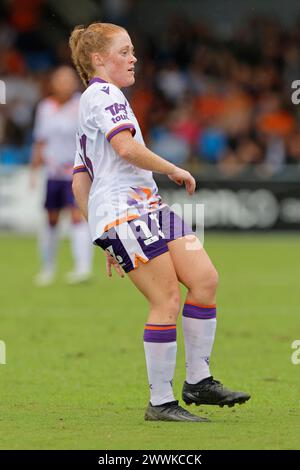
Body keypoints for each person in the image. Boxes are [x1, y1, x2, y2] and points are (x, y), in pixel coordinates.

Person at [69, 22, 250, 422]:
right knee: (165, 299)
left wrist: (100, 233)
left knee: (204, 279)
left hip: (147, 209)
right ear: (99, 59)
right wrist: (173, 169)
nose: (134, 58)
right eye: (125, 51)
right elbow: (125, 147)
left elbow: (80, 176)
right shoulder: (103, 95)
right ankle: (161, 402)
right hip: (127, 212)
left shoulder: (99, 99)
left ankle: (199, 382)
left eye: (133, 50)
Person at [31, 66, 93, 286]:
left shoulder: (81, 105)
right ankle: (47, 268)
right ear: (53, 83)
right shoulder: (45, 107)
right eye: (61, 80)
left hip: (76, 172)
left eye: (69, 80)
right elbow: (40, 140)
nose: (65, 84)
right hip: (53, 172)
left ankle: (83, 268)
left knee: (78, 215)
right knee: (51, 219)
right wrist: (34, 170)